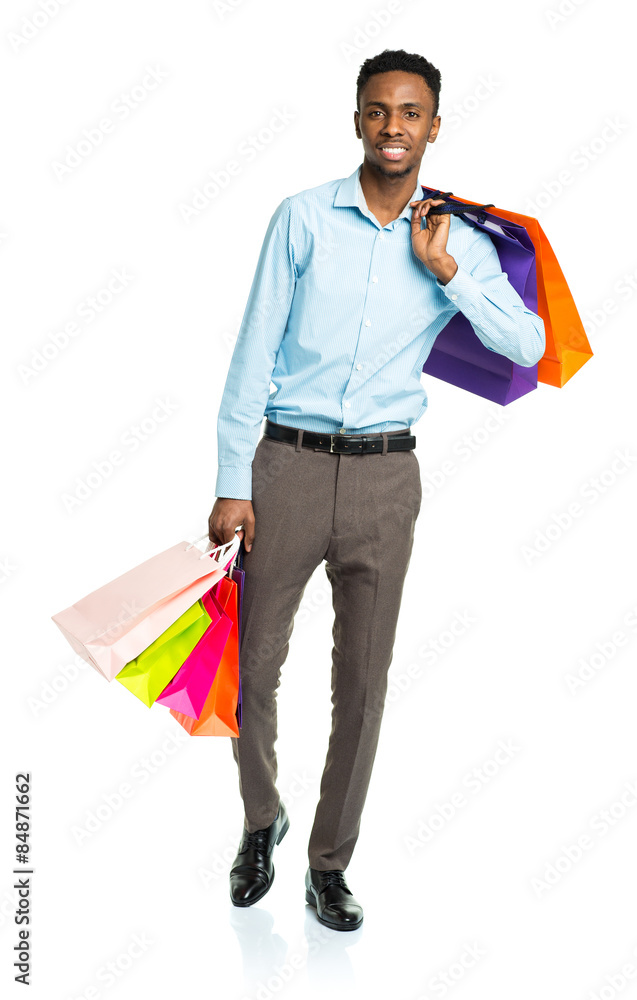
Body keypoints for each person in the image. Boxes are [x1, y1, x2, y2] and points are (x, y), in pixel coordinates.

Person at [208, 48, 545, 931]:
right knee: (245, 666)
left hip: (385, 479)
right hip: (282, 467)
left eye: (410, 113)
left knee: (361, 681)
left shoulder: (459, 240)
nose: (392, 127)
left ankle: (328, 862)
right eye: (377, 111)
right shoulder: (300, 219)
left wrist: (448, 272)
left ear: (434, 126)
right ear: (356, 119)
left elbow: (525, 346)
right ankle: (259, 818)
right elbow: (251, 354)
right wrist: (231, 481)